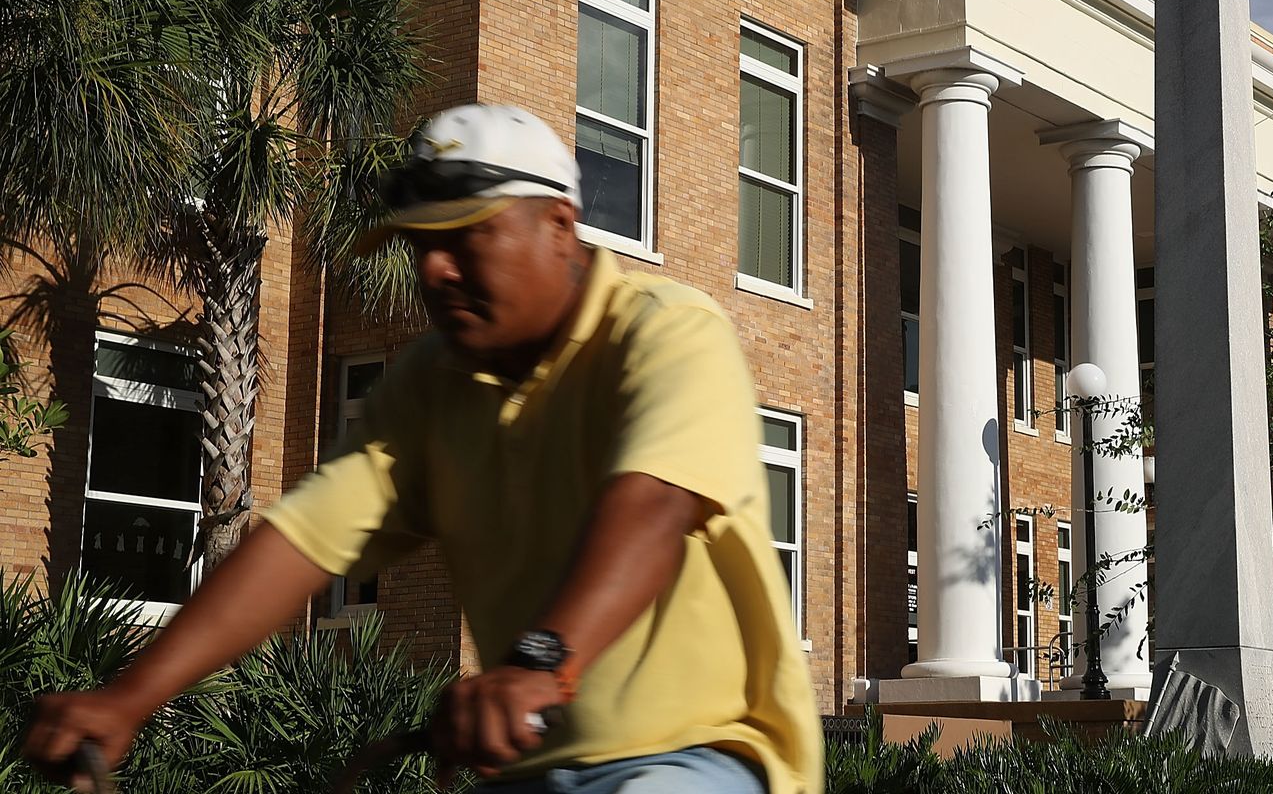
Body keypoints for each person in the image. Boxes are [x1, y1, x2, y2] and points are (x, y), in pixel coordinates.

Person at [26, 104, 822, 793]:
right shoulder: (426, 386)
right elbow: (300, 543)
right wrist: (130, 697)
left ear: (559, 226)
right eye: (418, 246)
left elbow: (652, 504)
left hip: (696, 759)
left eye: (468, 238)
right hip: (532, 770)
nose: (436, 271)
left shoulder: (665, 330)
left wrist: (539, 662)